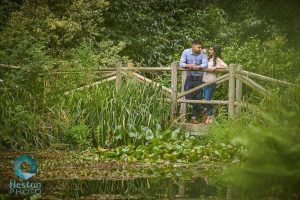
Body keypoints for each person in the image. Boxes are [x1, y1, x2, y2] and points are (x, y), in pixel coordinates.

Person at [179, 40, 208, 124]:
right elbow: (181, 63)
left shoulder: (203, 53)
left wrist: (197, 67)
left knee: (197, 98)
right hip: (189, 77)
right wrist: (189, 65)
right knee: (187, 95)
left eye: (201, 47)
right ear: (193, 46)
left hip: (199, 78)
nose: (200, 49)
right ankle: (203, 110)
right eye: (198, 47)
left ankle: (194, 118)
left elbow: (205, 64)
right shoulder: (186, 52)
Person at [202, 45, 228, 124]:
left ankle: (211, 117)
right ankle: (209, 118)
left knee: (207, 100)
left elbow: (226, 67)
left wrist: (215, 68)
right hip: (204, 81)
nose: (210, 51)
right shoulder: (209, 59)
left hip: (211, 82)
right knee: (207, 100)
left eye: (211, 50)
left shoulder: (217, 59)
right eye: (209, 50)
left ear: (215, 51)